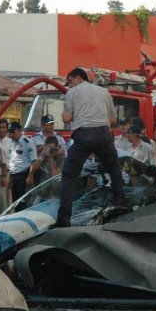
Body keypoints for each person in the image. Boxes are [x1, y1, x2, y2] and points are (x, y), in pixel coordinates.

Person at [55, 67, 126, 228]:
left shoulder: (72, 93)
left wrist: (73, 114)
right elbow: (113, 121)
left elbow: (66, 118)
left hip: (83, 136)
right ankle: (121, 206)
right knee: (115, 170)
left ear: (78, 78)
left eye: (70, 81)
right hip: (104, 135)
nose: (69, 85)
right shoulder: (104, 92)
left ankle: (63, 219)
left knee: (69, 176)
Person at [6, 121, 39, 202]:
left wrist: (30, 176)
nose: (11, 135)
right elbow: (13, 162)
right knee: (15, 202)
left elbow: (34, 161)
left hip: (24, 176)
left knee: (24, 202)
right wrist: (10, 178)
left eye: (13, 132)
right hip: (14, 177)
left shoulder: (28, 143)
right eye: (10, 132)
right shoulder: (12, 143)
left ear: (20, 130)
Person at [0, 119, 14, 206]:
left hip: (8, 175)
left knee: (8, 201)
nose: (1, 129)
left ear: (7, 129)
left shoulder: (11, 143)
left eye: (3, 127)